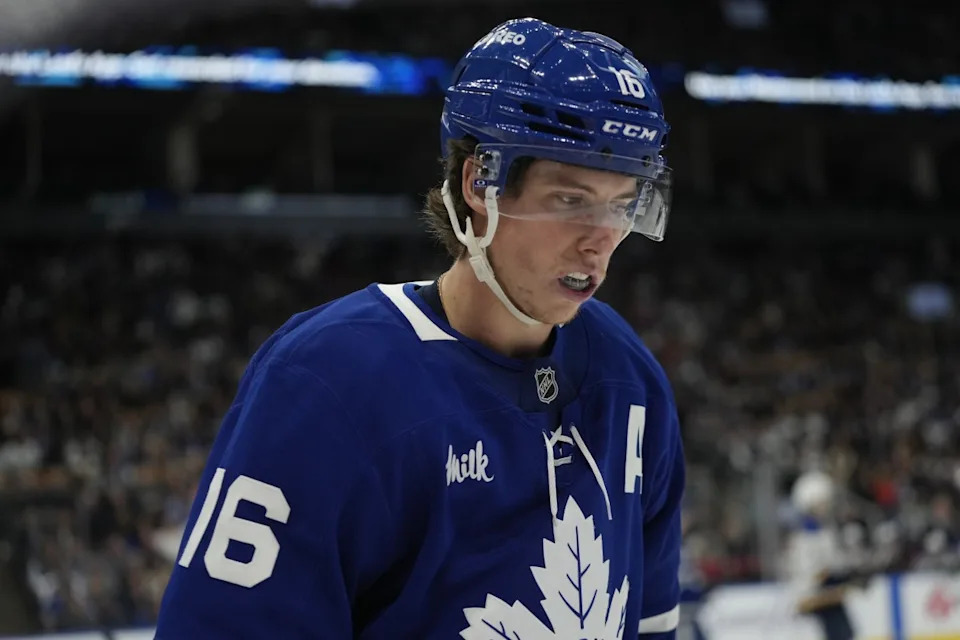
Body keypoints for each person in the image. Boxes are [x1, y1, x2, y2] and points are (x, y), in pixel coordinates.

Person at [156, 16, 684, 639]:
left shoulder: (630, 379)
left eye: (622, 204)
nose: (600, 241)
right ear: (478, 184)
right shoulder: (325, 383)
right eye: (570, 200)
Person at [786, 471, 858, 640]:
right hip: (818, 609)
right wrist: (832, 585)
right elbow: (808, 583)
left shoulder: (825, 534)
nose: (825, 507)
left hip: (829, 604)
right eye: (821, 503)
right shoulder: (804, 540)